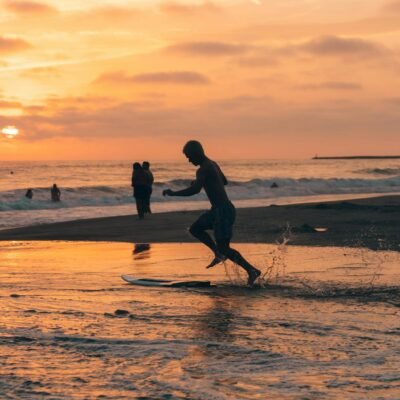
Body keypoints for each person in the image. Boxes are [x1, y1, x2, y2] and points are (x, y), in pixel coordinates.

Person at [162, 140, 261, 286]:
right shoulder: (212, 164)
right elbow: (224, 181)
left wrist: (173, 193)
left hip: (223, 211)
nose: (189, 160)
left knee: (224, 248)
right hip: (218, 210)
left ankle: (251, 270)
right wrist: (201, 181)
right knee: (195, 229)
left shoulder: (203, 169)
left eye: (189, 156)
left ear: (197, 153)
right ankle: (218, 253)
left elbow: (195, 191)